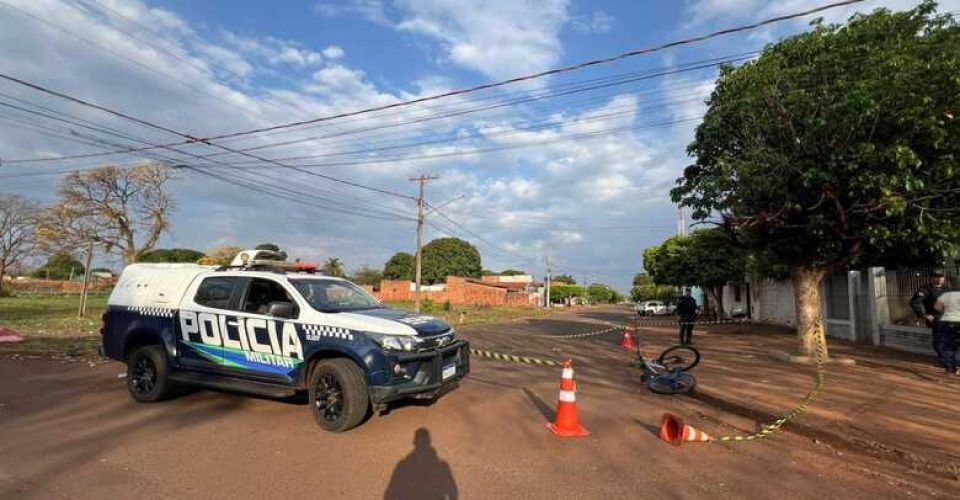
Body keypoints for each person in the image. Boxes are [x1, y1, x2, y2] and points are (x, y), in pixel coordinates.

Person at [910, 269, 947, 362]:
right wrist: (925, 315)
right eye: (936, 277)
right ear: (931, 278)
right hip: (936, 318)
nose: (939, 279)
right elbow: (915, 302)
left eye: (941, 277)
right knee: (940, 339)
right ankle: (945, 359)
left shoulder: (946, 288)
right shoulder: (925, 289)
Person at [934, 275, 960, 375]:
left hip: (947, 322)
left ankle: (951, 368)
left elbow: (937, 308)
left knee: (949, 346)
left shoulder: (945, 295)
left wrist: (947, 309)